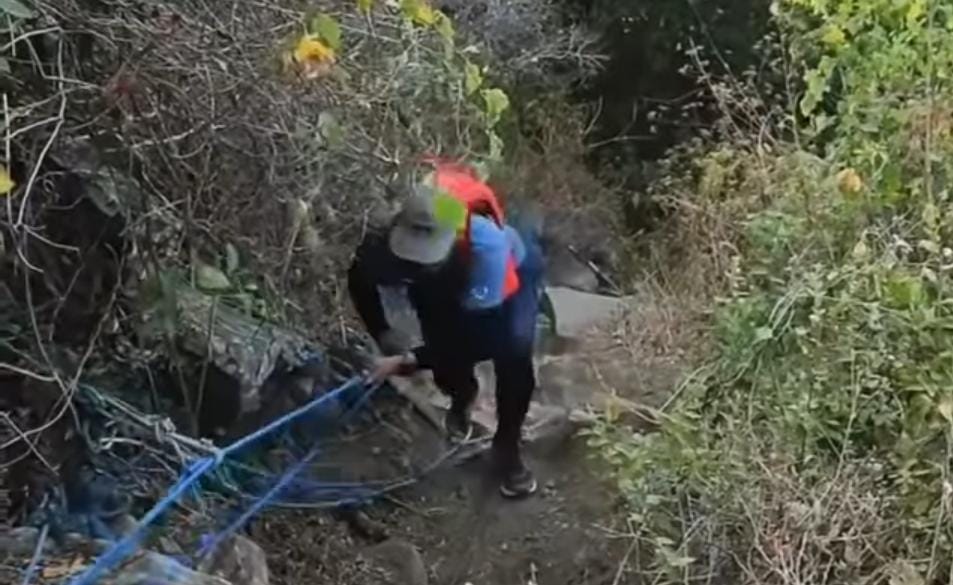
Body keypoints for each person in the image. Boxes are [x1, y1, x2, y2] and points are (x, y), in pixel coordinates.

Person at [347, 162, 543, 499]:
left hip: (509, 281)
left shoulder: (488, 251)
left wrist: (407, 361)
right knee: (447, 361)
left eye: (429, 256)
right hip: (444, 281)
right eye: (414, 256)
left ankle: (507, 449)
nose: (421, 261)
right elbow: (360, 280)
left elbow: (477, 338)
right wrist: (383, 333)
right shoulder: (390, 240)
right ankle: (462, 395)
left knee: (513, 351)